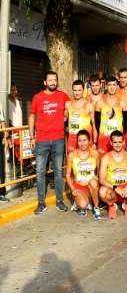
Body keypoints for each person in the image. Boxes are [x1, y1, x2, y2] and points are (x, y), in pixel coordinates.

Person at [30, 71, 71, 214]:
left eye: (55, 80)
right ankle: (41, 203)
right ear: (45, 82)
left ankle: (59, 201)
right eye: (50, 80)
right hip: (41, 140)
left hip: (59, 139)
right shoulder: (38, 97)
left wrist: (67, 113)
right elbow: (32, 117)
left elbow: (71, 108)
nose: (53, 82)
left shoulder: (63, 95)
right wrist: (32, 137)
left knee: (58, 171)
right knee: (40, 172)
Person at [98, 130, 127, 219]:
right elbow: (102, 179)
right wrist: (115, 188)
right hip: (113, 188)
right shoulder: (106, 158)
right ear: (111, 143)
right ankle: (111, 205)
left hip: (126, 188)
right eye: (115, 142)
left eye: (120, 142)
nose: (118, 145)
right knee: (102, 192)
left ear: (123, 142)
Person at [65, 129, 102, 219]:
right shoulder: (72, 155)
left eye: (84, 140)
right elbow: (67, 175)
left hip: (91, 186)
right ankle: (82, 202)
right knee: (82, 205)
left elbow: (100, 170)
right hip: (79, 187)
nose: (82, 143)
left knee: (93, 183)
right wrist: (73, 188)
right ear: (77, 142)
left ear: (89, 141)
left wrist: (97, 178)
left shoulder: (95, 154)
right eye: (80, 140)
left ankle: (96, 207)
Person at [93, 76, 127, 155]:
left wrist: (119, 135)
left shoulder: (123, 103)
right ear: (106, 86)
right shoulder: (99, 103)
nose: (112, 87)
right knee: (103, 163)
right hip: (104, 138)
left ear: (117, 86)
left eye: (114, 85)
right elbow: (97, 124)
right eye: (109, 85)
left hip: (117, 141)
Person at [66, 79, 94, 152]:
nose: (77, 93)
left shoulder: (89, 105)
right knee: (71, 161)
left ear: (83, 90)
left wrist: (95, 142)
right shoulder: (68, 104)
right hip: (72, 139)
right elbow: (64, 120)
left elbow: (94, 125)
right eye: (75, 90)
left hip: (85, 140)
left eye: (79, 90)